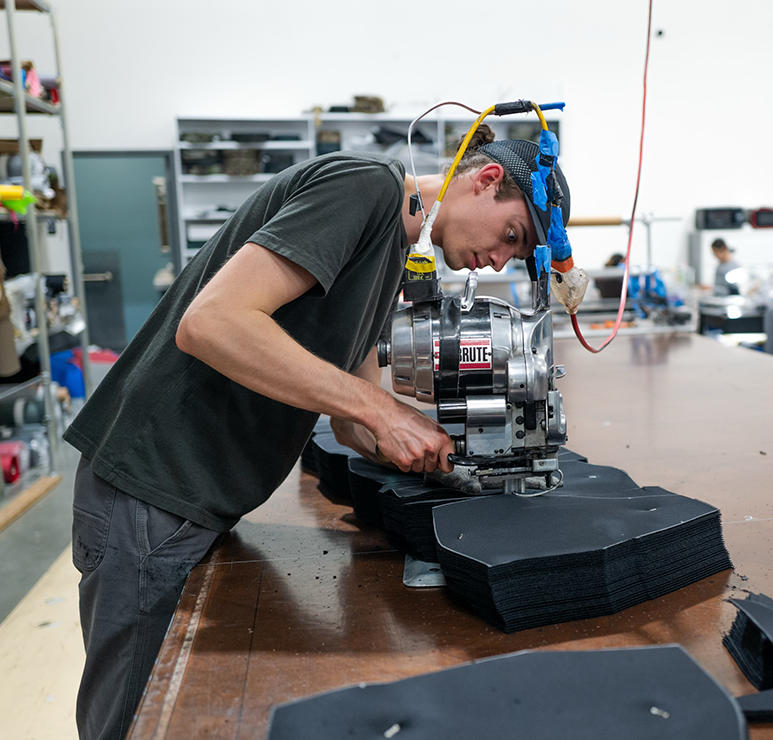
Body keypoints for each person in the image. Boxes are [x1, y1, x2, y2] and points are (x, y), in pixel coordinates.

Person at [63, 125, 569, 740]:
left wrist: (454, 449)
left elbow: (351, 420)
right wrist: (384, 413)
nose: (497, 260)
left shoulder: (392, 253)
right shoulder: (366, 187)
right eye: (510, 236)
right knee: (131, 723)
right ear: (485, 181)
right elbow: (213, 323)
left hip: (191, 495)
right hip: (151, 489)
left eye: (514, 257)